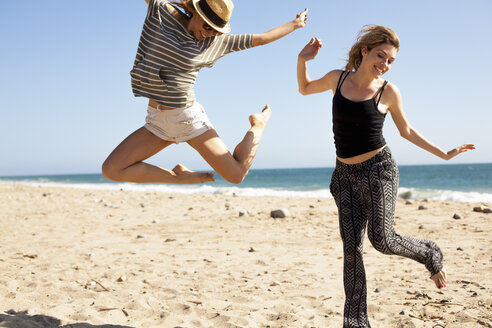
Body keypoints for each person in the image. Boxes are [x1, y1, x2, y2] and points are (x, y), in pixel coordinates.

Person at [297, 25, 475, 327]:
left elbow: (406, 131)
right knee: (352, 251)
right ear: (365, 51)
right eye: (381, 55)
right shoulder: (336, 78)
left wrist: (445, 154)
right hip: (343, 177)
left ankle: (429, 252)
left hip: (379, 171)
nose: (385, 63)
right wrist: (303, 59)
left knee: (382, 239)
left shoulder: (387, 90)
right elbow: (304, 88)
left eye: (390, 60)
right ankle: (355, 322)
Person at [102, 0, 308, 184]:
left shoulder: (215, 42)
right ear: (197, 12)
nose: (209, 32)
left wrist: (296, 24)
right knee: (112, 169)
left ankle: (258, 124)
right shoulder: (163, 12)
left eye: (215, 30)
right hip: (156, 120)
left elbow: (262, 38)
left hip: (186, 119)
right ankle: (178, 177)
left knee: (236, 175)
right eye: (207, 26)